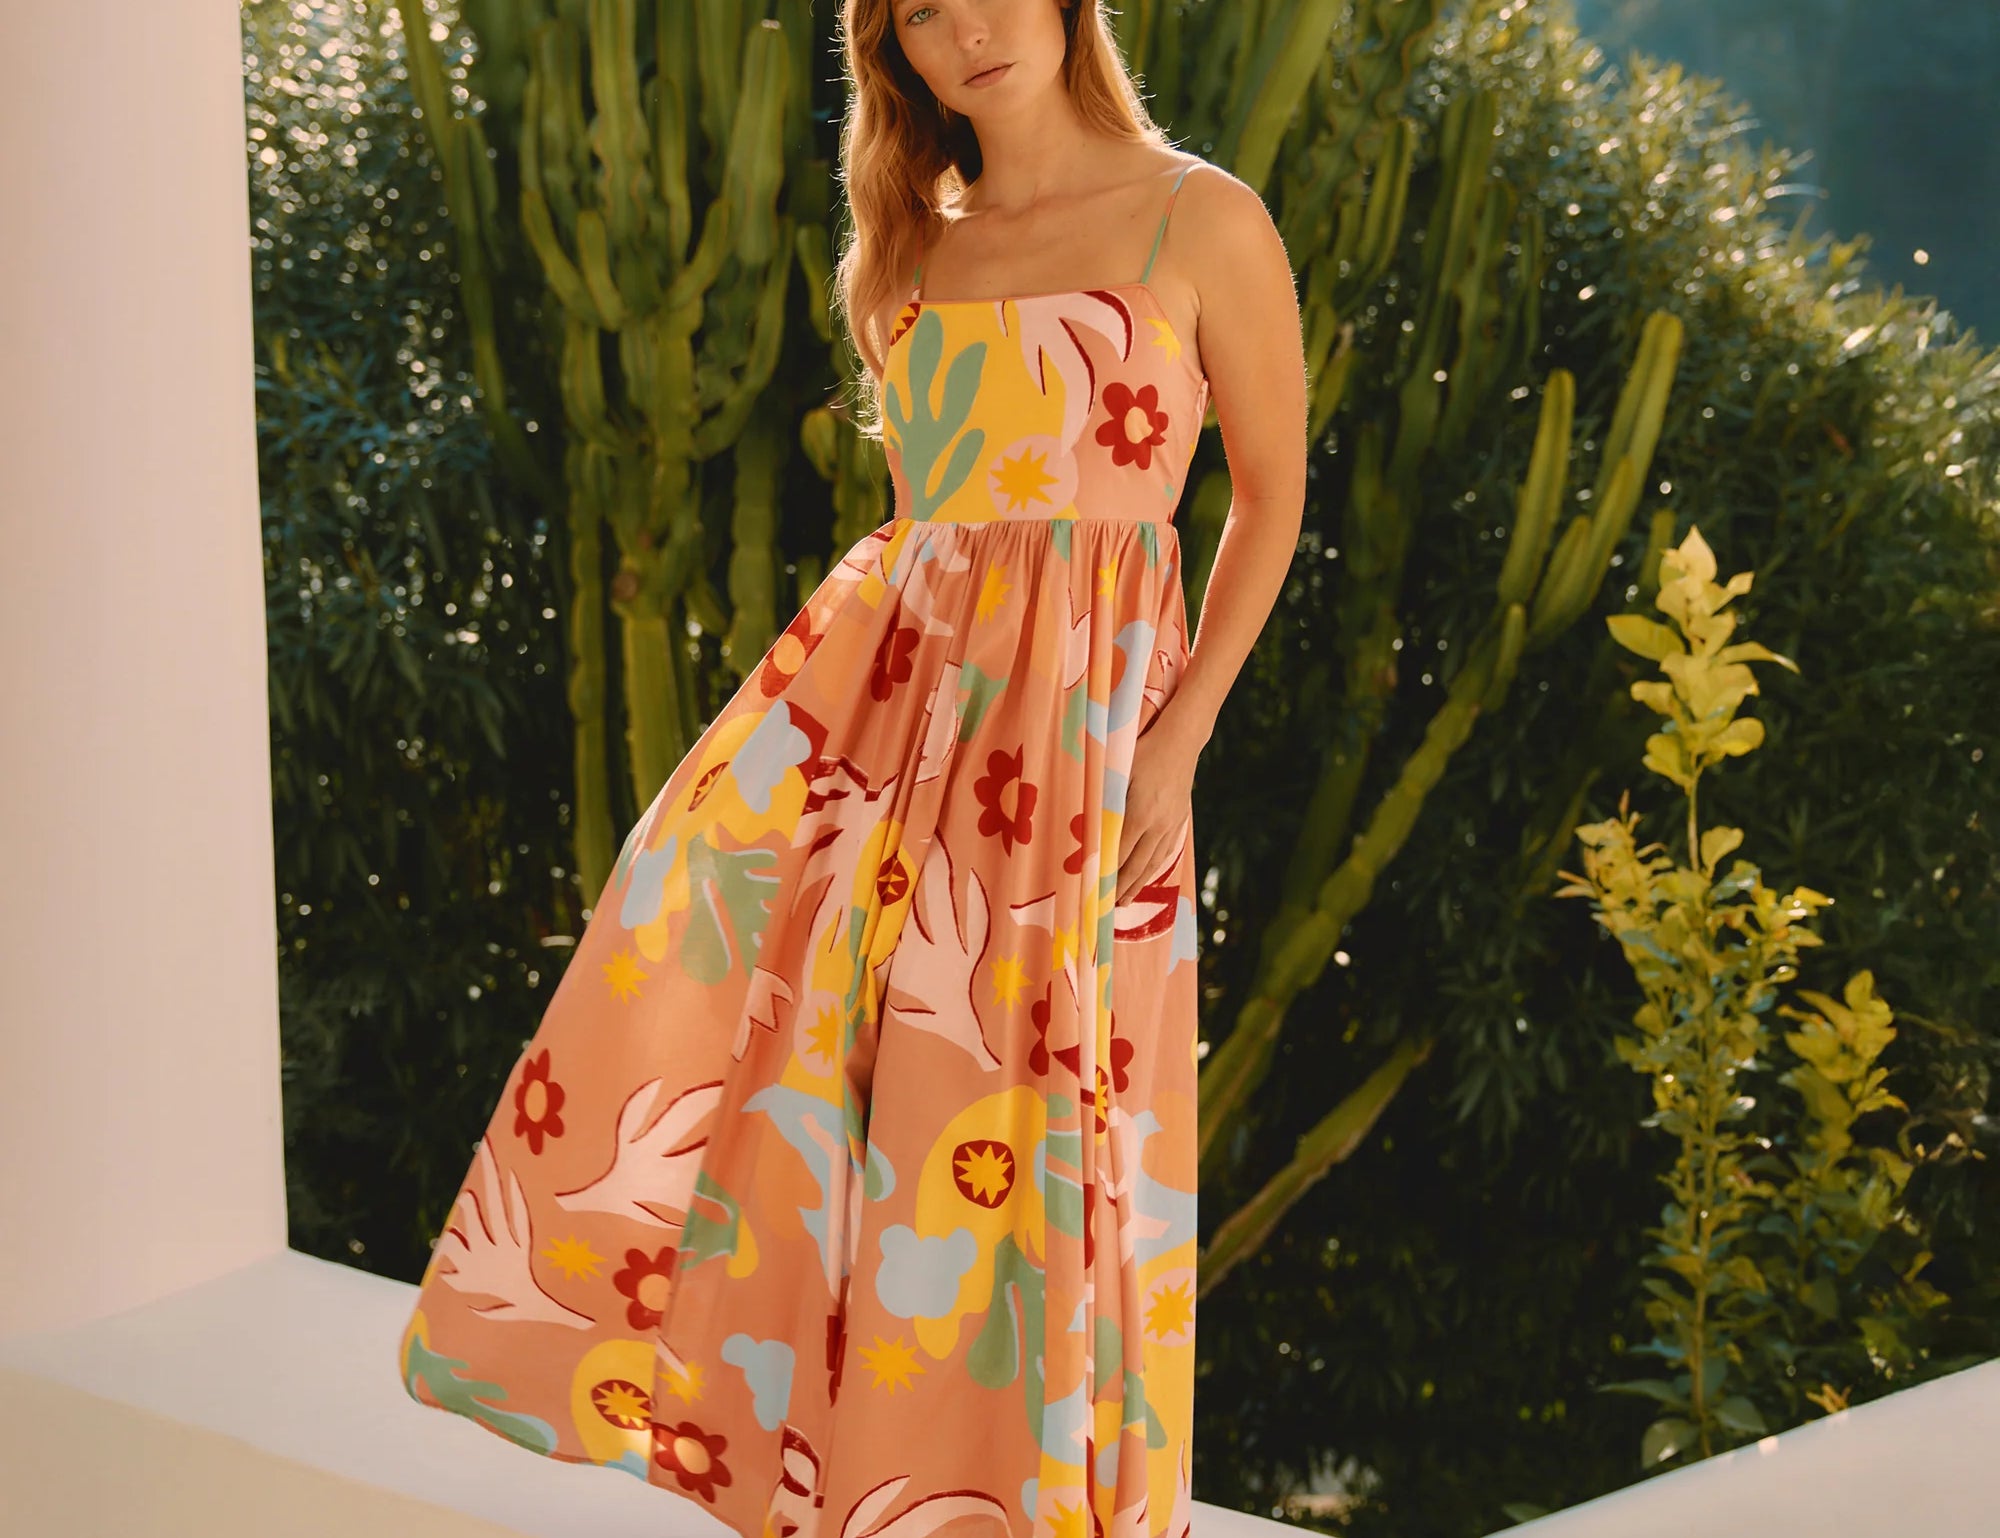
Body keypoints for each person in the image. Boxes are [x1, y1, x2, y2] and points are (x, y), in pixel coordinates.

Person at [395, 2, 1305, 1536]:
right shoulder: (915, 253)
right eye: (915, 14)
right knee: (852, 1120)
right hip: (883, 744)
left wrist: (1182, 733)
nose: (963, 31)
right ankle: (856, 1486)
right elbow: (935, 544)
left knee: (1040, 1151)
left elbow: (1270, 501)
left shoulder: (1198, 217)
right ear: (888, 52)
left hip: (1083, 763)